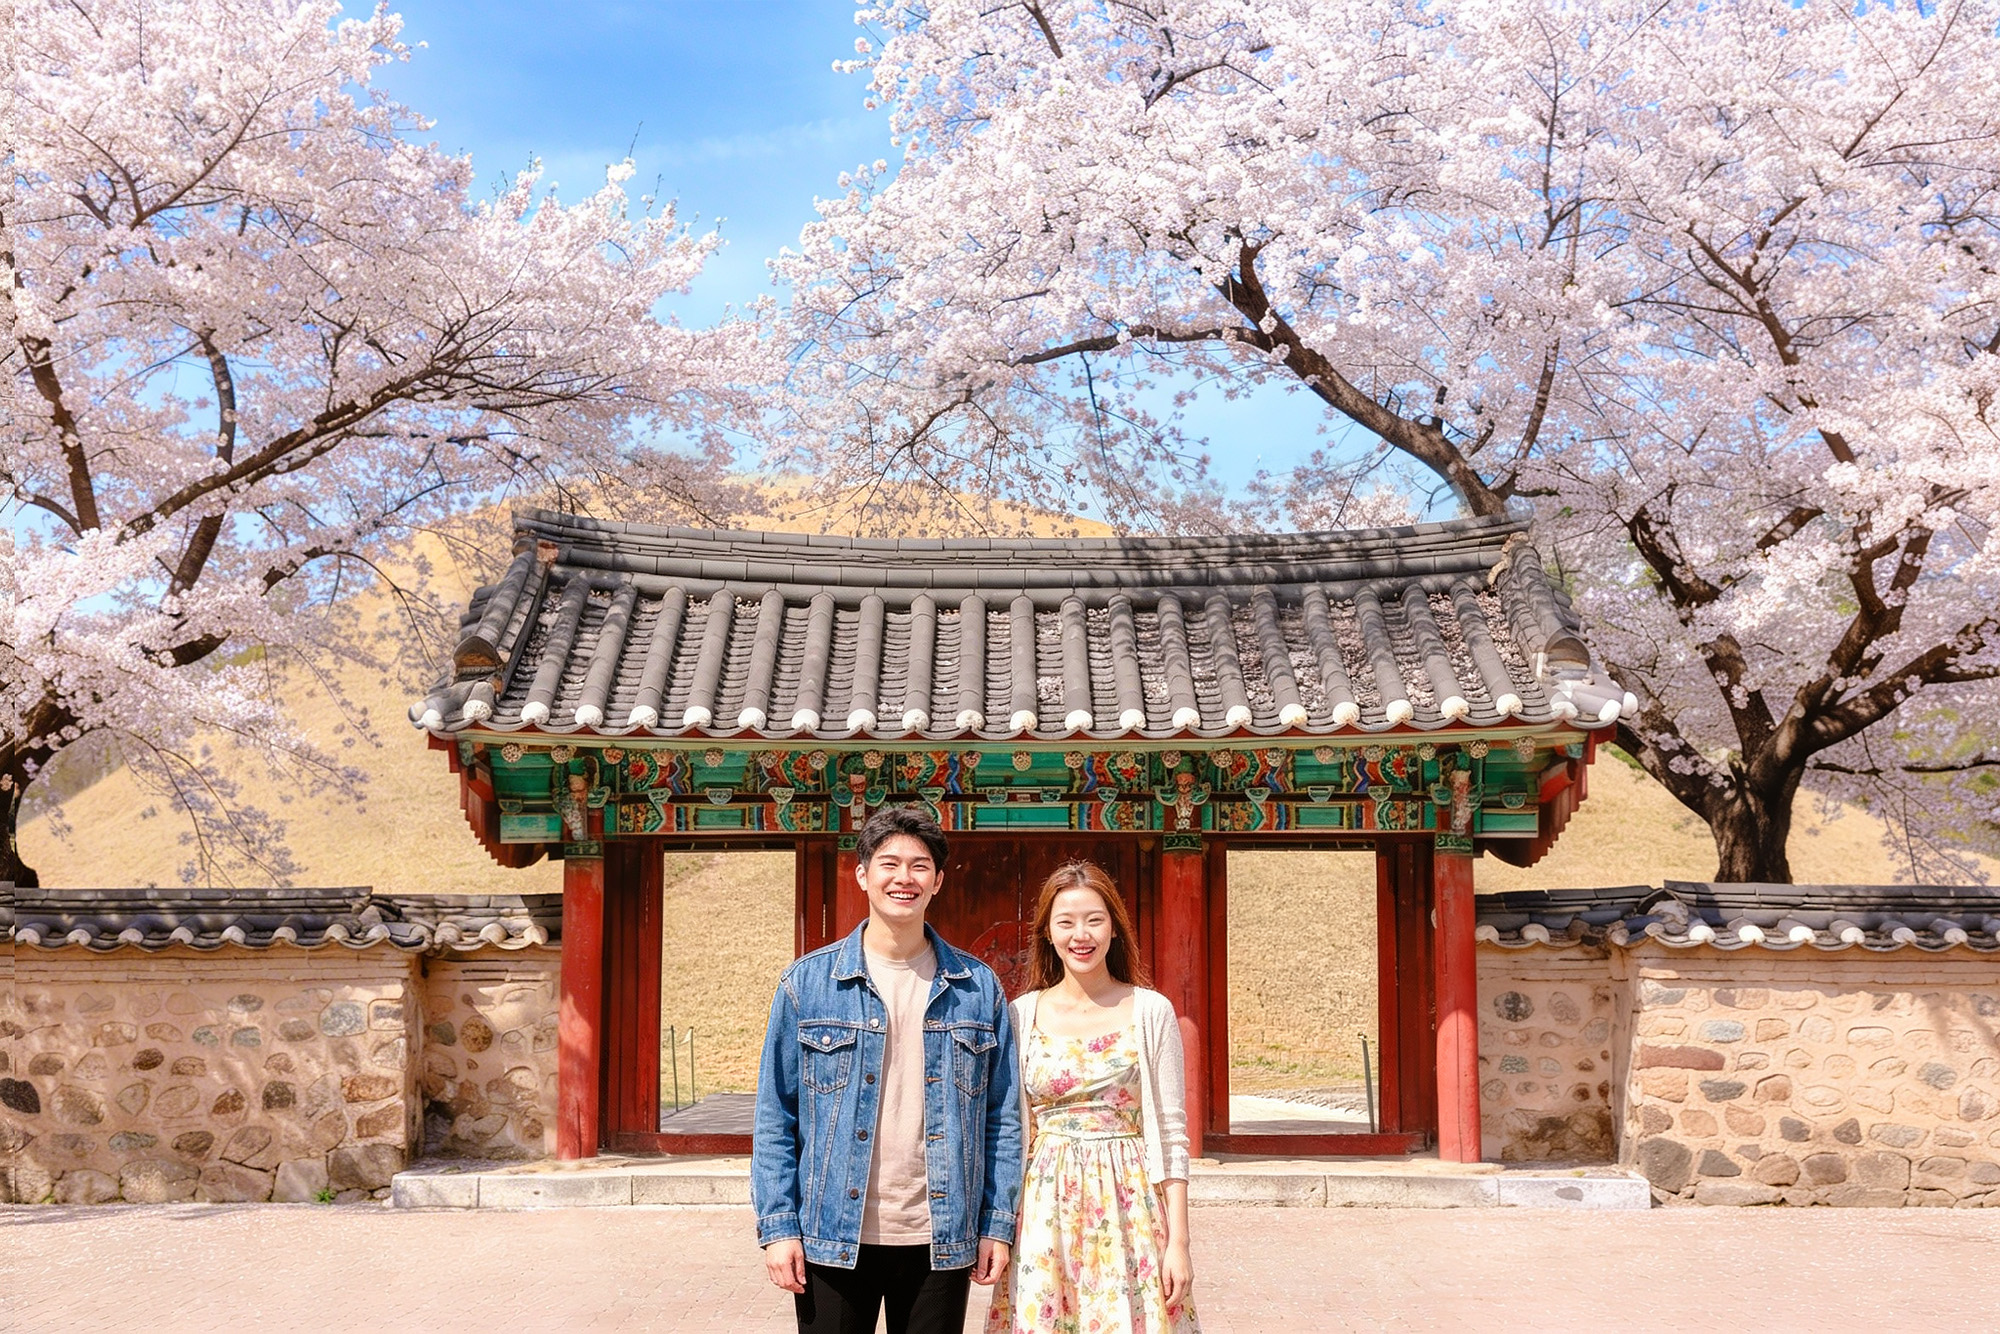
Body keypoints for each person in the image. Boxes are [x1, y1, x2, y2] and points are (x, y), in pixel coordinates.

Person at [753, 803, 1023, 1334]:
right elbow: (775, 1118)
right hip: (831, 1234)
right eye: (889, 863)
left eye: (920, 865)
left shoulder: (977, 988)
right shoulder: (806, 985)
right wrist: (779, 1227)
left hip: (940, 1237)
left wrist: (997, 1224)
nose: (905, 878)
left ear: (939, 880)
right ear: (863, 875)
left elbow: (1003, 1119)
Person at [987, 860, 1200, 1334]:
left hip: (1129, 1204)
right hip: (1043, 1204)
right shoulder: (1021, 1015)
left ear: (1115, 929)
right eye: (1065, 922)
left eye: (1094, 920)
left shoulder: (1150, 1011)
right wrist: (998, 1226)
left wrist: (1179, 1242)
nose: (1080, 934)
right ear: (1047, 933)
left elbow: (1170, 1129)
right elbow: (1006, 1127)